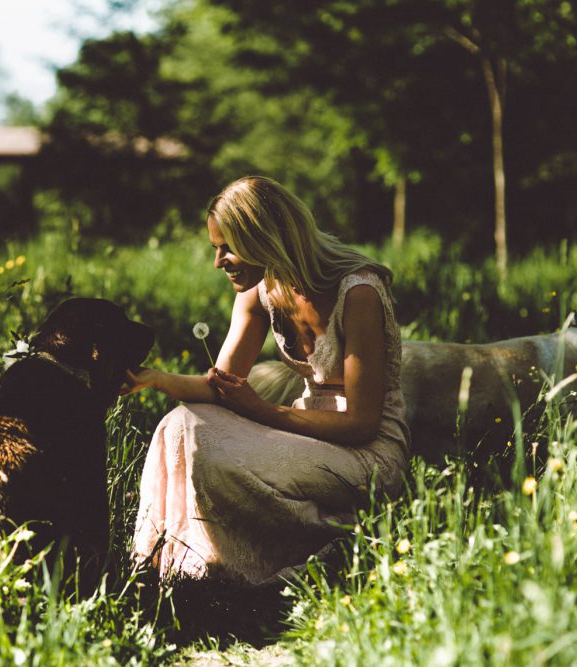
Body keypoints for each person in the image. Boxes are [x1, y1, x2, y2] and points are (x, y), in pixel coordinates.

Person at [124, 176, 410, 585]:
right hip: (306, 435)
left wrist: (261, 411)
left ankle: (312, 550)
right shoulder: (261, 291)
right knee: (179, 425)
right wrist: (153, 379)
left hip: (368, 450)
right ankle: (161, 563)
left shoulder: (359, 291)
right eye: (215, 248)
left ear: (264, 238)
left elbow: (362, 424)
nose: (218, 261)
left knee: (220, 461)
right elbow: (220, 387)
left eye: (227, 248)